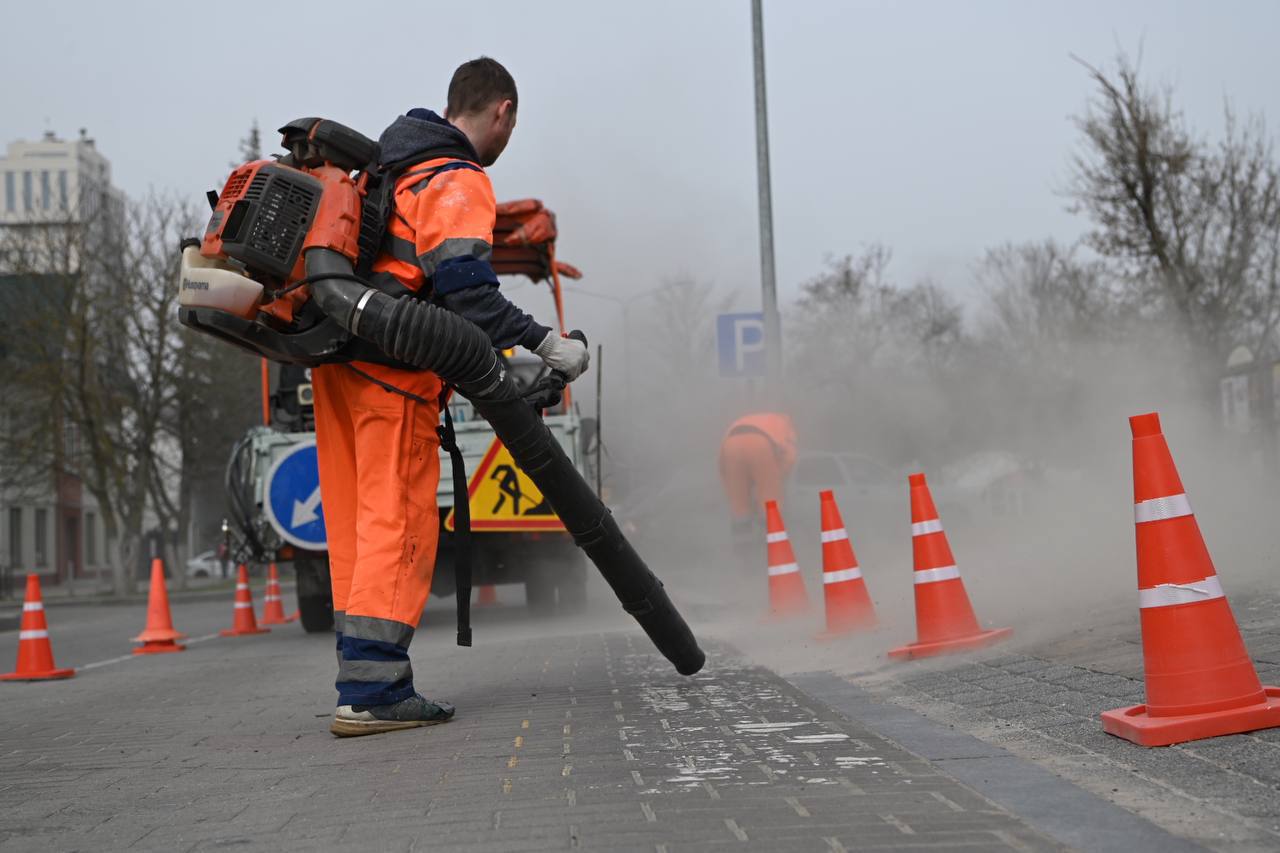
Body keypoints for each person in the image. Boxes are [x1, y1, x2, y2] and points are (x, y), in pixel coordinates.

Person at [313, 57, 590, 737]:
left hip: (336, 365)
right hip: (393, 374)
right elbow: (468, 293)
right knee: (399, 519)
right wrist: (547, 343)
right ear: (502, 111)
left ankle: (363, 676)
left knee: (356, 524)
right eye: (511, 126)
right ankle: (373, 693)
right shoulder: (457, 176)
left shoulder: (392, 164)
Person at [718, 412, 798, 542]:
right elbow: (790, 455)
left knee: (739, 505)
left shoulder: (742, 420)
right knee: (770, 500)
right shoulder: (784, 423)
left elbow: (722, 467)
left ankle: (742, 545)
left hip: (730, 445)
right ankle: (771, 541)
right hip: (760, 444)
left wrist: (732, 487)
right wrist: (779, 476)